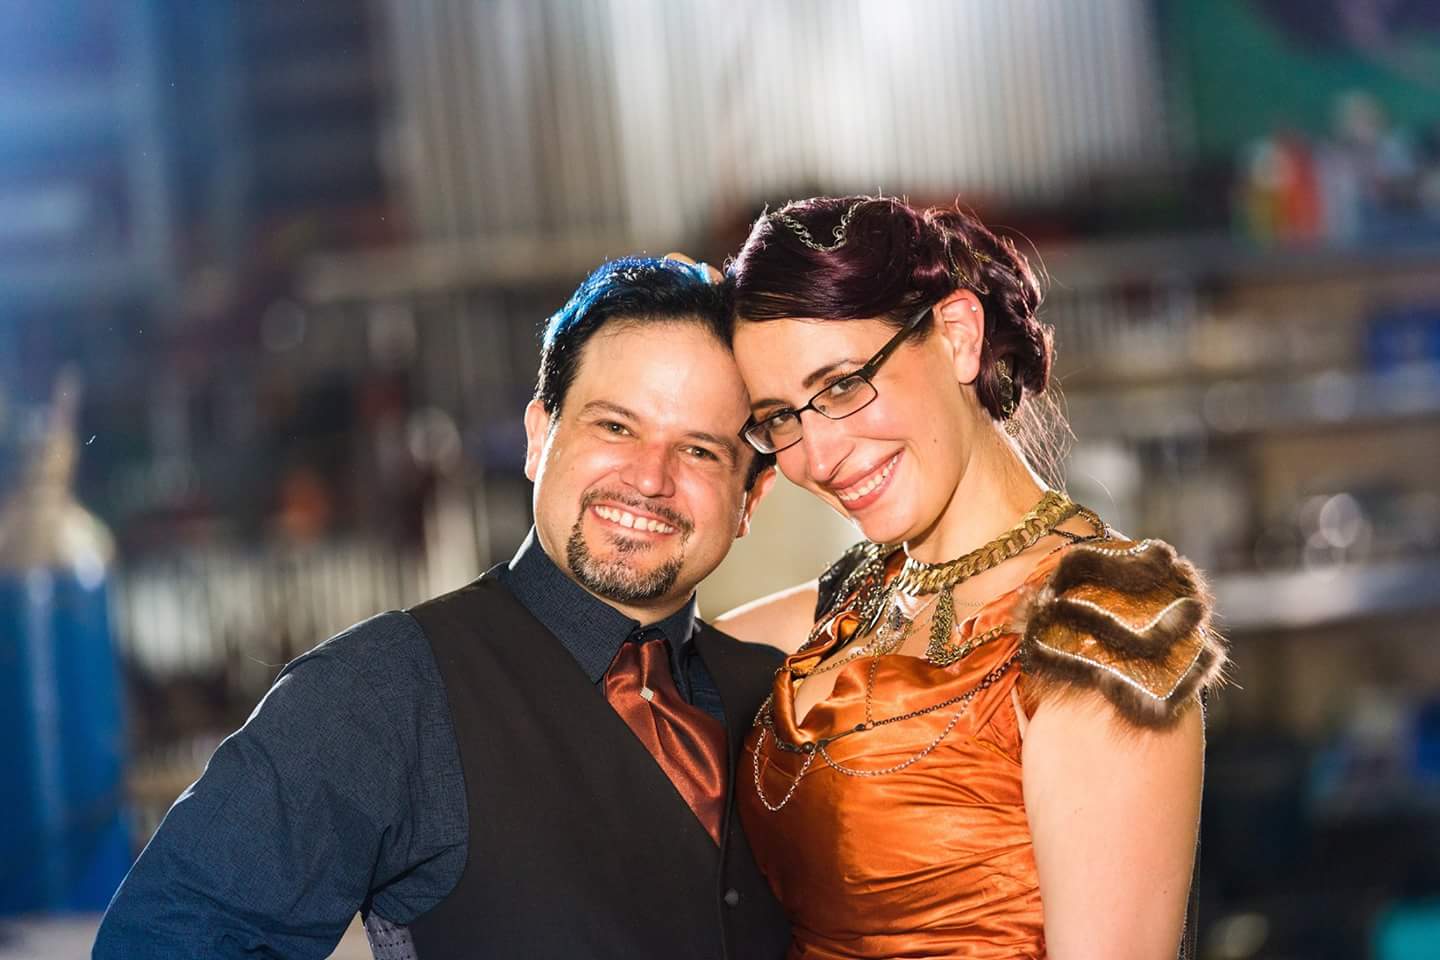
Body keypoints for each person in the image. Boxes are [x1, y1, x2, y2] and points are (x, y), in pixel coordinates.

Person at [94, 257, 791, 960]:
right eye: (615, 427)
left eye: (700, 450)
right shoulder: (380, 693)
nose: (649, 478)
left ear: (748, 502)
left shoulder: (783, 700)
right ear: (537, 438)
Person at [714, 197, 1228, 960]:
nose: (817, 458)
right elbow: (637, 659)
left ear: (957, 335)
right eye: (780, 419)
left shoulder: (1102, 626)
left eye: (844, 385)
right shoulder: (860, 596)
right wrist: (702, 486)